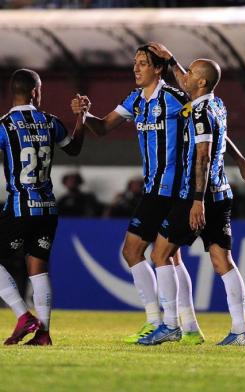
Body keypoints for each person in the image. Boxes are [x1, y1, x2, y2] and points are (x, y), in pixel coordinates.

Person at [71, 45, 205, 345]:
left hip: (168, 189)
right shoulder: (135, 100)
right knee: (171, 257)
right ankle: (190, 327)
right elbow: (103, 127)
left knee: (132, 251)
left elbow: (203, 110)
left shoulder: (173, 98)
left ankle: (158, 322)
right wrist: (84, 114)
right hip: (155, 187)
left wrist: (174, 60)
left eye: (143, 63)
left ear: (158, 69)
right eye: (135, 63)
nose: (136, 68)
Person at [139, 45, 245, 346]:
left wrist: (196, 200)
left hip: (197, 196)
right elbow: (219, 138)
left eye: (191, 73)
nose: (185, 76)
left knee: (160, 254)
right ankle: (240, 331)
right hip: (221, 192)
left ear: (201, 83)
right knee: (222, 261)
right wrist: (171, 61)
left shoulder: (198, 113)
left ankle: (169, 325)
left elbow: (203, 158)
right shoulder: (216, 105)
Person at [0, 68, 86, 345]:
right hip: (48, 208)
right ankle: (44, 333)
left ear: (12, 92)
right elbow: (73, 149)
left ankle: (23, 315)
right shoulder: (51, 122)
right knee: (38, 268)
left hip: (20, 207)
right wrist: (81, 118)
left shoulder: (5, 126)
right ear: (36, 92)